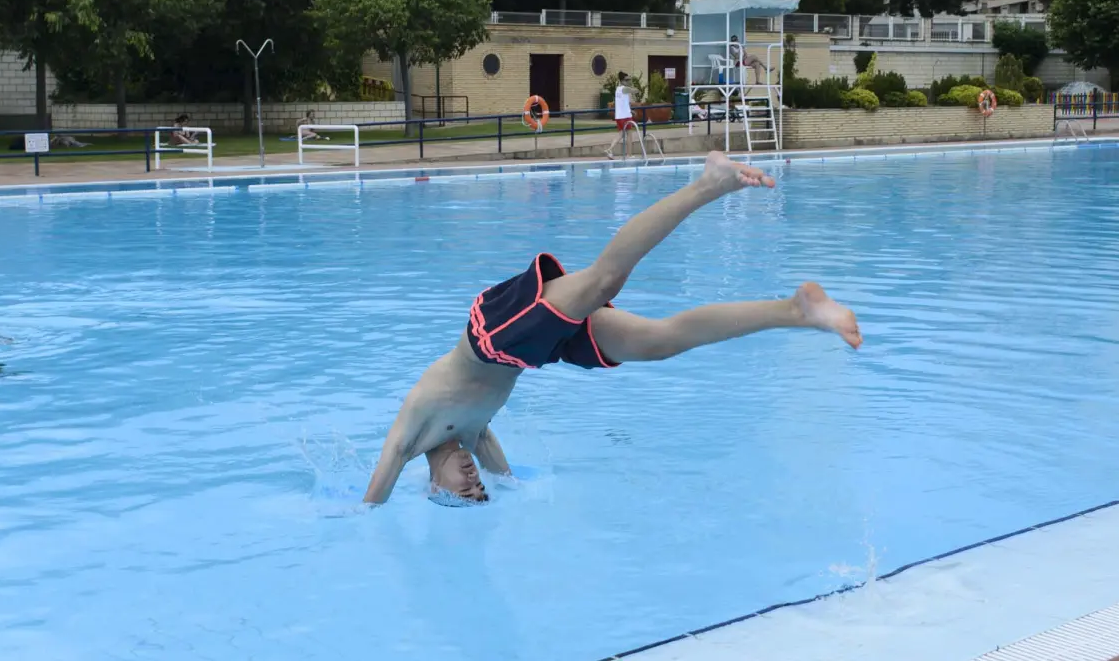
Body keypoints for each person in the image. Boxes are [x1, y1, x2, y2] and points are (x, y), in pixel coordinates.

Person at [363, 151, 862, 505]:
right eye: (478, 488)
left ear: (433, 485)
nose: (474, 479)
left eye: (463, 487)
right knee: (660, 343)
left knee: (604, 279)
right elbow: (508, 481)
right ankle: (795, 311)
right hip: (532, 353)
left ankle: (708, 182)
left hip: (491, 335)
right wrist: (509, 490)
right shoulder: (476, 437)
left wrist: (362, 519)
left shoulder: (412, 434)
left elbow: (373, 500)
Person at [603, 73, 641, 159]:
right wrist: (632, 84)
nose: (629, 82)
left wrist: (630, 110)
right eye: (627, 80)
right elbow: (636, 90)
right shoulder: (624, 89)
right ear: (622, 81)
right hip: (625, 116)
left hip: (619, 116)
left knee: (620, 134)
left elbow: (622, 103)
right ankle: (629, 155)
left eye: (629, 80)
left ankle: (610, 149)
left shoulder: (618, 89)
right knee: (629, 135)